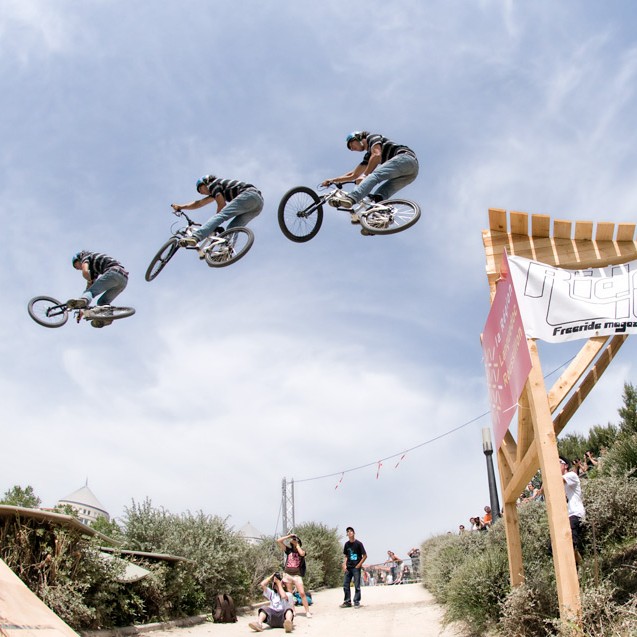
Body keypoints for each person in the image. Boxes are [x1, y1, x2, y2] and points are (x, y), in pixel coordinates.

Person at [322, 131, 418, 210]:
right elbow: (354, 175)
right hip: (411, 173)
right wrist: (333, 180)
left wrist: (365, 175)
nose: (352, 149)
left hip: (404, 158)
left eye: (351, 144)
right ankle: (379, 216)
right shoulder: (369, 155)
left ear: (358, 138)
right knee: (380, 195)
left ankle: (351, 198)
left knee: (374, 176)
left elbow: (377, 155)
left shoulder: (372, 137)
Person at [171, 174, 263, 252]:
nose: (202, 193)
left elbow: (221, 204)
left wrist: (214, 224)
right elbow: (199, 203)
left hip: (249, 195)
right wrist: (181, 207)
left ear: (205, 182)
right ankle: (226, 250)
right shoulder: (217, 189)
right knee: (233, 228)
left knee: (220, 216)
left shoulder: (213, 184)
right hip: (258, 205)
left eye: (200, 189)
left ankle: (195, 237)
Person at [66, 251, 129, 328]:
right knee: (102, 302)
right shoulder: (94, 270)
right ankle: (107, 318)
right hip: (123, 280)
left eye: (77, 266)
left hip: (114, 272)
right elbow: (90, 286)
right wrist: (82, 310)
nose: (78, 269)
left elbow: (85, 272)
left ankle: (84, 300)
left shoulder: (85, 256)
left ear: (78, 259)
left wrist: (83, 301)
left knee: (90, 292)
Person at [276, 533, 312, 618]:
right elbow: (279, 541)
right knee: (290, 594)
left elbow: (302, 554)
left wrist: (297, 545)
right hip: (288, 574)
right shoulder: (288, 550)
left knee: (302, 593)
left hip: (297, 575)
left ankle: (307, 611)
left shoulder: (301, 551)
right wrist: (289, 536)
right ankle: (293, 610)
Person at [560, 457, 586, 564]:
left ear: (566, 465)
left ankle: (579, 565)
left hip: (576, 514)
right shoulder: (562, 482)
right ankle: (579, 564)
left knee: (570, 544)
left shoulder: (571, 475)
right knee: (553, 547)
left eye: (558, 462)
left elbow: (555, 481)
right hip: (568, 516)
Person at [341, 526, 367, 608]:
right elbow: (346, 556)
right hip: (348, 567)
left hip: (356, 568)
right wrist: (344, 565)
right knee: (345, 585)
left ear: (354, 533)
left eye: (351, 531)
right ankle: (347, 601)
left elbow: (365, 556)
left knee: (357, 585)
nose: (349, 532)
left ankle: (356, 602)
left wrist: (359, 565)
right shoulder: (346, 544)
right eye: (348, 531)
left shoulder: (359, 544)